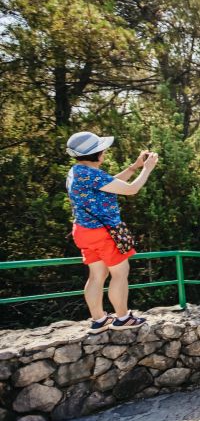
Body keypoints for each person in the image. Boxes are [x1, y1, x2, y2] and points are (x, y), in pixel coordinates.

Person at [65, 131, 159, 334]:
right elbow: (131, 189)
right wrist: (148, 169)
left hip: (83, 230)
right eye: (103, 150)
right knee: (120, 273)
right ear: (96, 154)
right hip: (102, 232)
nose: (105, 153)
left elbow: (109, 184)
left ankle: (99, 320)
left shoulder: (77, 171)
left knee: (97, 274)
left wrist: (135, 167)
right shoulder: (92, 174)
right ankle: (123, 318)